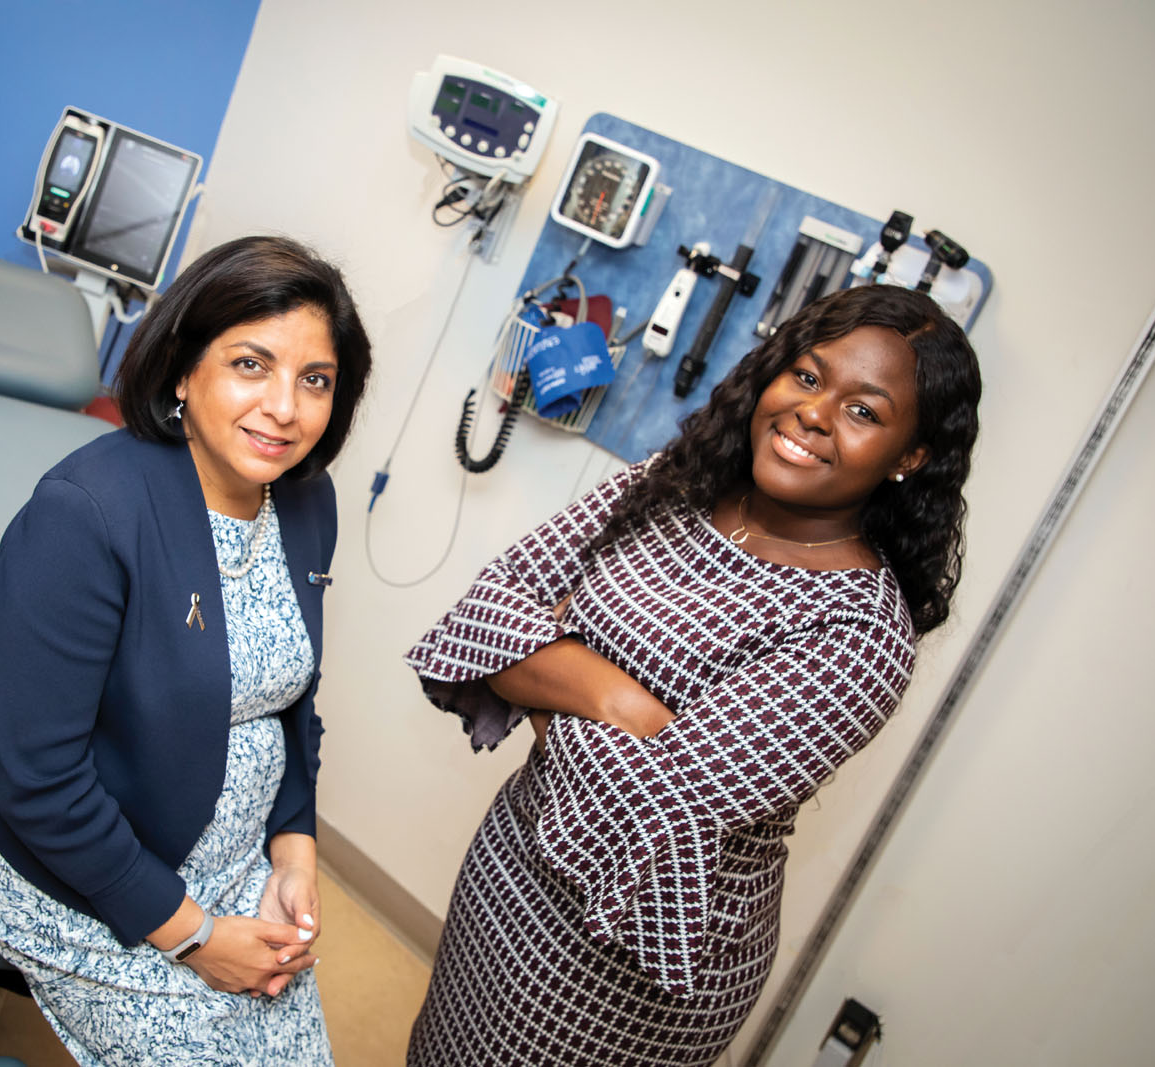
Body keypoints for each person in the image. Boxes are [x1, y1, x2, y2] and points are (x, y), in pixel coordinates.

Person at [403, 283, 981, 1066]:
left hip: (633, 973)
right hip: (509, 875)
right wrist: (615, 697)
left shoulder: (861, 633)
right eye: (808, 378)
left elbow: (649, 800)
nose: (815, 413)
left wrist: (542, 666)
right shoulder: (678, 482)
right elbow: (496, 599)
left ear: (911, 456)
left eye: (864, 410)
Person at [0, 236, 371, 1066]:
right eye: (251, 364)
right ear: (184, 369)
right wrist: (194, 936)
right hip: (90, 881)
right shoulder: (84, 515)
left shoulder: (305, 500)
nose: (285, 408)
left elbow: (293, 701)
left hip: (234, 860)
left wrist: (294, 847)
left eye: (315, 379)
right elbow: (37, 782)